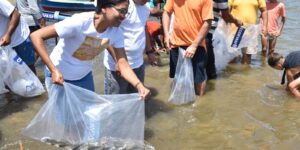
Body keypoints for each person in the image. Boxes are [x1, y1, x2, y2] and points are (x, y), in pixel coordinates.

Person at [30, 0, 150, 99]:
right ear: (104, 7)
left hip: (84, 77)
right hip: (60, 78)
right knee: (66, 122)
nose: (124, 17)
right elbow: (36, 36)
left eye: (126, 13)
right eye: (121, 11)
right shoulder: (80, 22)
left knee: (92, 121)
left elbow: (123, 63)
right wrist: (53, 70)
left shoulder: (116, 33)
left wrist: (139, 86)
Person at [104, 0, 157, 95]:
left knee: (137, 98)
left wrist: (149, 51)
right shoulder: (122, 6)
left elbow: (143, 27)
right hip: (117, 67)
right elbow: (107, 33)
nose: (149, 1)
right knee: (115, 104)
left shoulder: (146, 7)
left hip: (138, 64)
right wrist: (118, 61)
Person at [163, 0, 213, 96]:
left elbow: (207, 23)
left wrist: (194, 45)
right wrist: (166, 34)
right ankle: (180, 100)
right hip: (175, 43)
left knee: (199, 78)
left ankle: (200, 103)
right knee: (177, 76)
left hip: (197, 45)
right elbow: (166, 12)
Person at [206, 0, 243, 79]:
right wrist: (236, 21)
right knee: (210, 73)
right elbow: (226, 16)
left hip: (187, 32)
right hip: (206, 33)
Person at [0, 0, 36, 73]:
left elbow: (16, 14)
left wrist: (8, 34)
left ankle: (34, 84)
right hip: (3, 43)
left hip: (19, 38)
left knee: (28, 68)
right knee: (7, 72)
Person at [228, 0, 267, 64]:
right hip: (234, 30)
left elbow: (264, 11)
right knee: (232, 55)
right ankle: (232, 73)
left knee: (247, 55)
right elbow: (227, 11)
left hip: (251, 31)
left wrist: (265, 26)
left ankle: (244, 73)